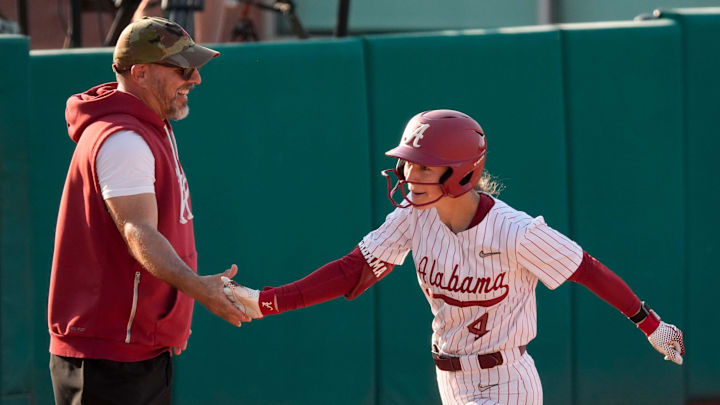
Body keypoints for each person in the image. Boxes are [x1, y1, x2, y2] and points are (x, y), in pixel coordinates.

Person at [223, 109, 686, 405]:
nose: (407, 173)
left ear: (461, 173)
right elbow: (353, 271)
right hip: (451, 379)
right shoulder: (413, 215)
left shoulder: (515, 231)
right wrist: (266, 302)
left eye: (423, 165)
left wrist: (651, 324)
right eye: (407, 162)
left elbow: (587, 270)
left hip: (505, 380)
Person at [47, 16, 250, 405]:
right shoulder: (124, 138)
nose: (195, 79)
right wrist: (199, 288)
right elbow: (138, 231)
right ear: (140, 73)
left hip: (134, 348)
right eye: (182, 68)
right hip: (108, 357)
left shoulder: (149, 124)